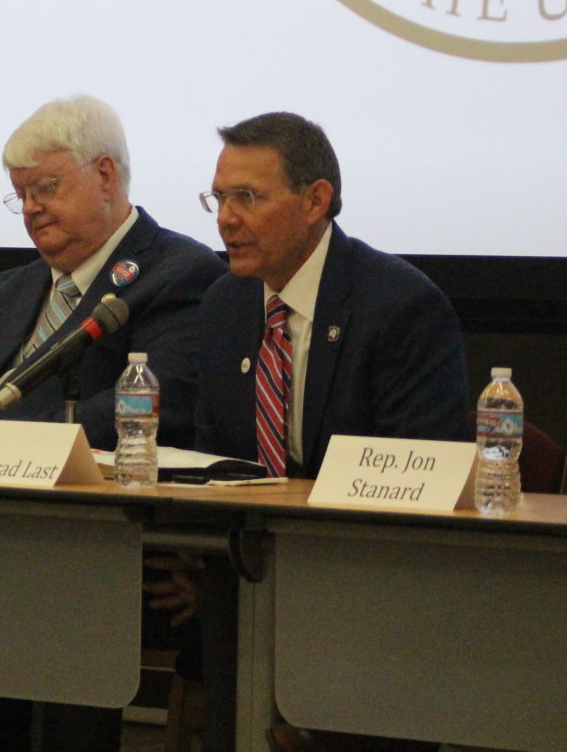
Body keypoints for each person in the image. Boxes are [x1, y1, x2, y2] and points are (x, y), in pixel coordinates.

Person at [0, 95, 226, 752]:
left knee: (19, 602)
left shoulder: (181, 275)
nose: (30, 208)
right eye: (19, 195)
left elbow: (149, 410)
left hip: (101, 540)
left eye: (45, 187)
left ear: (106, 175)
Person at [192, 111, 470, 751]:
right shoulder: (224, 305)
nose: (225, 219)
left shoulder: (400, 307)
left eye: (247, 198)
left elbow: (422, 481)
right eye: (218, 198)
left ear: (316, 201)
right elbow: (215, 461)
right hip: (248, 578)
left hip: (368, 589)